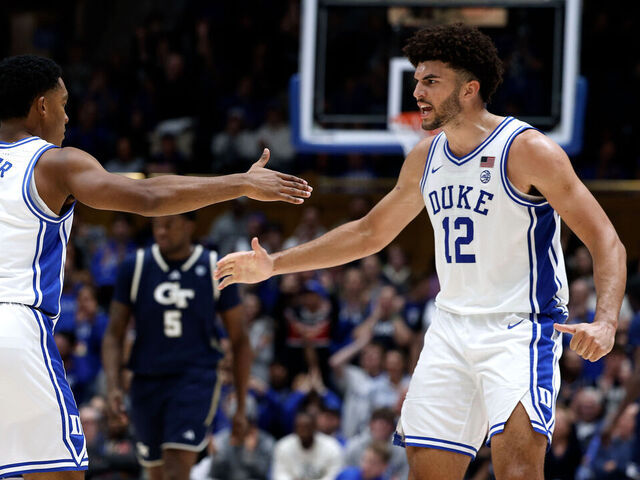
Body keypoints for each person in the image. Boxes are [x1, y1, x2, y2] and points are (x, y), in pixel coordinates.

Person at [214, 23, 626, 480]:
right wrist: (274, 264)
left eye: (430, 81)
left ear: (470, 89)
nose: (417, 92)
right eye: (416, 81)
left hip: (518, 328)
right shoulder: (426, 157)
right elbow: (370, 232)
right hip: (449, 327)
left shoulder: (527, 150)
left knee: (517, 473)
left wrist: (607, 320)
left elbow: (606, 239)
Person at [0, 54, 311, 480]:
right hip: (15, 325)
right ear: (42, 106)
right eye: (64, 103)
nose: (68, 116)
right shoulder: (52, 162)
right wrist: (241, 182)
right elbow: (148, 198)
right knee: (58, 473)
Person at [102, 213, 248, 479]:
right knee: (156, 471)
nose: (161, 231)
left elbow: (239, 339)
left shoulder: (215, 267)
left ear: (190, 225)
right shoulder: (135, 267)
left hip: (195, 378)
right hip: (146, 380)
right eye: (157, 224)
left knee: (176, 468)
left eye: (169, 224)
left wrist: (240, 405)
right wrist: (113, 386)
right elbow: (114, 334)